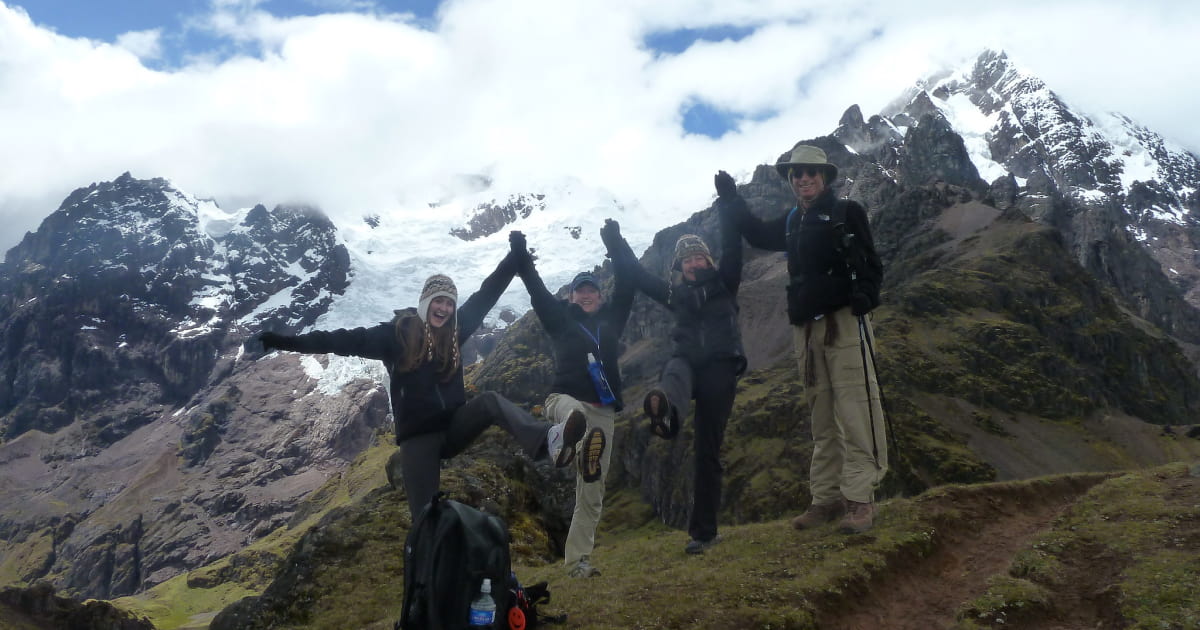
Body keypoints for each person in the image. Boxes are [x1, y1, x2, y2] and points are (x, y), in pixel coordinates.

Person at [257, 251, 586, 519]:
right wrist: (284, 342)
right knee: (425, 519)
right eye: (438, 301)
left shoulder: (455, 334)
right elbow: (340, 340)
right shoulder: (395, 335)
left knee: (489, 402)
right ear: (426, 302)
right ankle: (426, 588)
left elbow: (487, 294)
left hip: (454, 427)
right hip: (418, 439)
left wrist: (513, 260)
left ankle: (550, 441)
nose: (444, 308)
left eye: (449, 303)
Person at [724, 143, 887, 534]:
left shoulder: (847, 213)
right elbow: (758, 234)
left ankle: (860, 501)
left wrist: (866, 295)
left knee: (855, 410)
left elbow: (871, 265)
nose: (803, 178)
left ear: (825, 177)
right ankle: (825, 499)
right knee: (822, 415)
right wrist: (732, 201)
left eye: (811, 172)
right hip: (807, 330)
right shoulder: (794, 220)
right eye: (796, 173)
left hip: (844, 323)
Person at [602, 200, 745, 554]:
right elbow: (635, 274)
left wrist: (727, 196)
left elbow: (733, 244)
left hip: (721, 368)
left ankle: (704, 533)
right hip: (688, 363)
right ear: (679, 267)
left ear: (708, 261)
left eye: (699, 257)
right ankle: (667, 412)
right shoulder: (675, 294)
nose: (694, 263)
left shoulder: (725, 282)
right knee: (674, 370)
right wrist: (614, 243)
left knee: (707, 451)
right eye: (687, 259)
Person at [508, 226, 635, 578]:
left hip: (604, 411)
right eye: (580, 290)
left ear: (599, 294)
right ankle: (565, 445)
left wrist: (614, 242)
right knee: (575, 415)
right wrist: (519, 249)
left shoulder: (612, 320)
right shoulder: (560, 319)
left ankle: (578, 561)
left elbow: (627, 283)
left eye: (591, 289)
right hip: (563, 400)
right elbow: (535, 290)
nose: (586, 295)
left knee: (592, 490)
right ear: (572, 297)